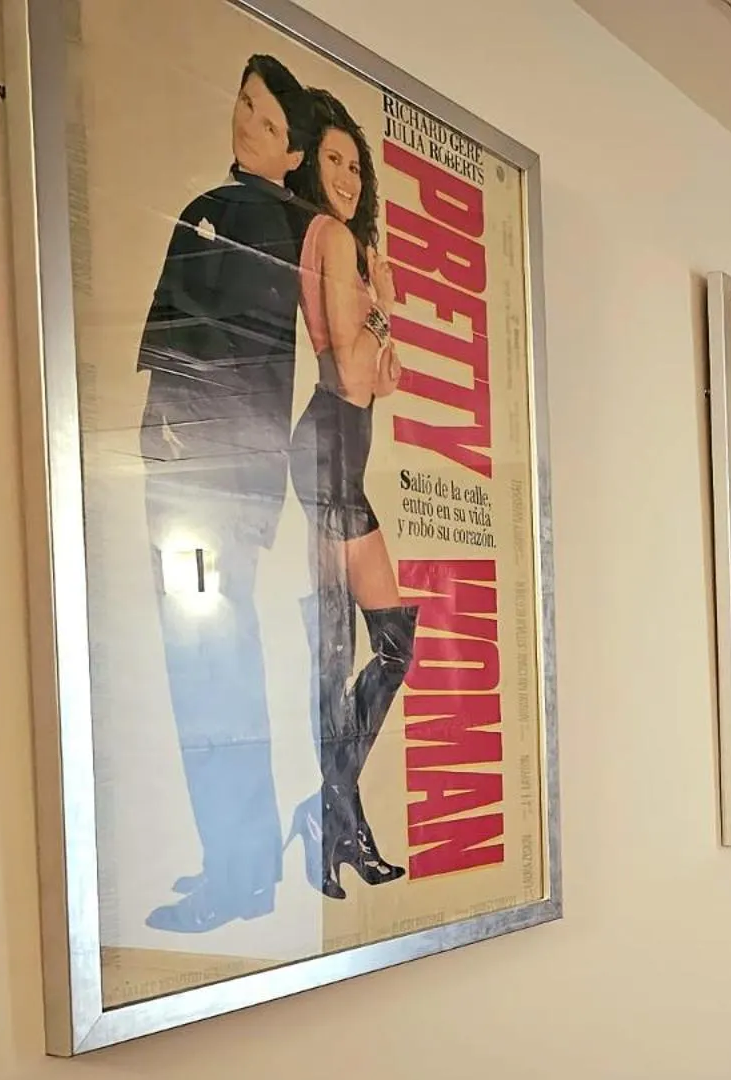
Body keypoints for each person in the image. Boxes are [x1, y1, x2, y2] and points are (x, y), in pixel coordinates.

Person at [137, 56, 314, 933]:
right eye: (245, 104)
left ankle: (240, 873)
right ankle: (238, 868)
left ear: (291, 156)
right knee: (212, 673)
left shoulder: (254, 219)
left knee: (214, 678)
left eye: (269, 122)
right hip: (203, 475)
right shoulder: (234, 207)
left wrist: (214, 483)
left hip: (208, 477)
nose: (247, 122)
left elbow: (237, 367)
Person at [285, 90, 419, 900]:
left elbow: (386, 378)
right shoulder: (332, 238)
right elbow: (352, 367)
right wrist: (379, 307)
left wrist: (383, 314)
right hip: (330, 452)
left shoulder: (348, 245)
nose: (345, 175)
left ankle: (333, 820)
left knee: (342, 651)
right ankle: (334, 813)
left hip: (339, 455)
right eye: (331, 160)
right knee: (387, 643)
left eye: (354, 163)